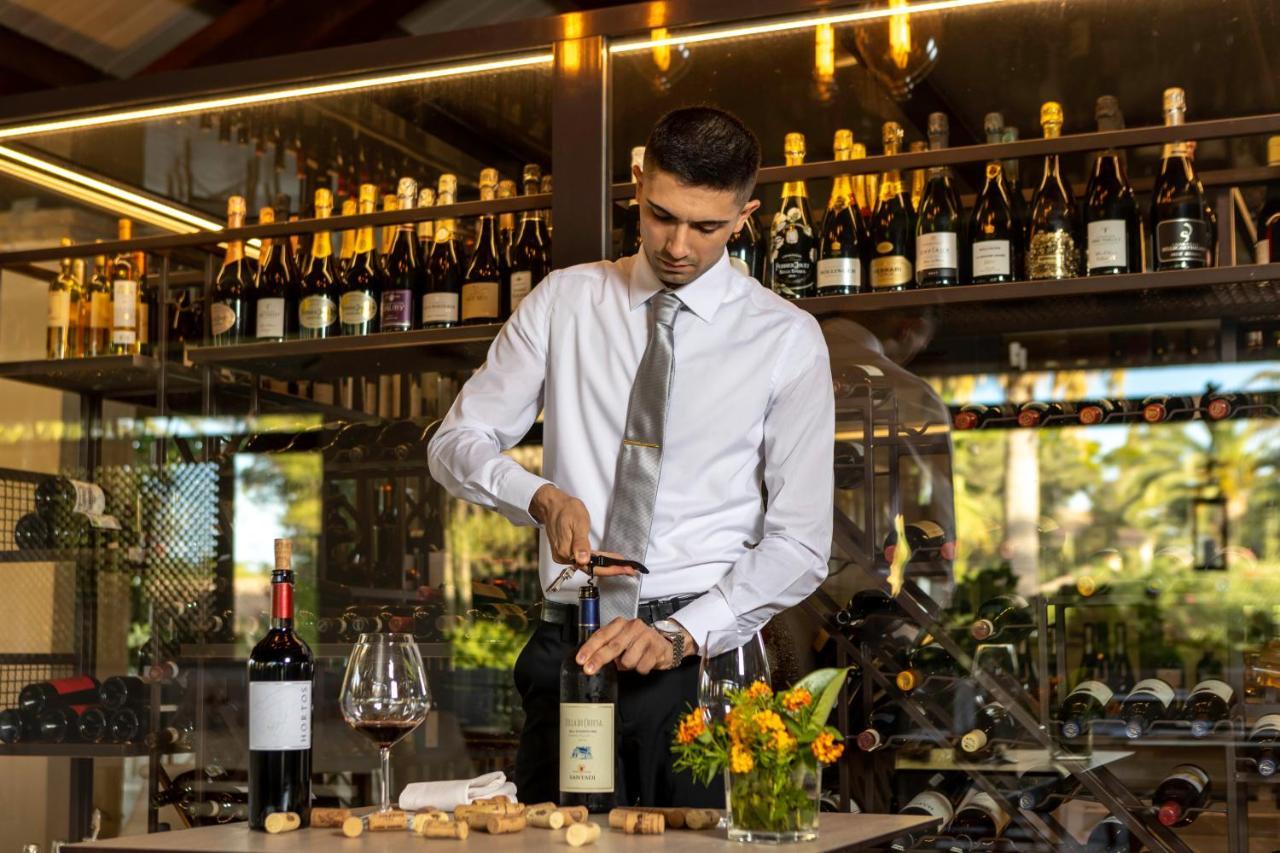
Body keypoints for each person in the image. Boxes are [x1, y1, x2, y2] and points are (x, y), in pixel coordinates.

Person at [427, 106, 834, 807]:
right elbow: (454, 443)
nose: (678, 244)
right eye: (660, 215)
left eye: (706, 227)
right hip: (571, 651)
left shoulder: (786, 340)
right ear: (638, 184)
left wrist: (681, 634)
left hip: (701, 668)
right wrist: (539, 496)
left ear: (745, 216)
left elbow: (800, 542)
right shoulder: (565, 302)